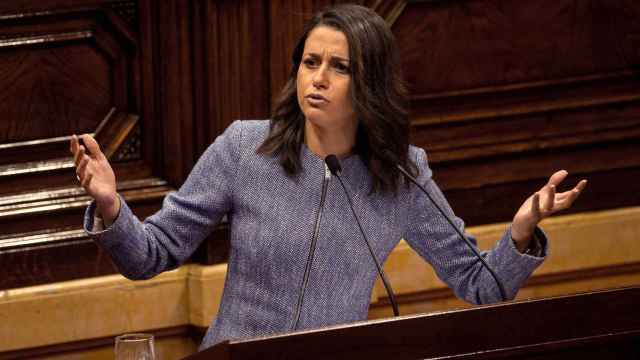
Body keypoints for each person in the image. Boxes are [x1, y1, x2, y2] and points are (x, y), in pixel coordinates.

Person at [70, 4, 587, 351]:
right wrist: (113, 208)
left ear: (371, 84)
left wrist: (521, 231)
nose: (317, 78)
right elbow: (150, 255)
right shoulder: (244, 148)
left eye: (339, 67)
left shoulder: (402, 174)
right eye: (309, 62)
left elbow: (483, 287)